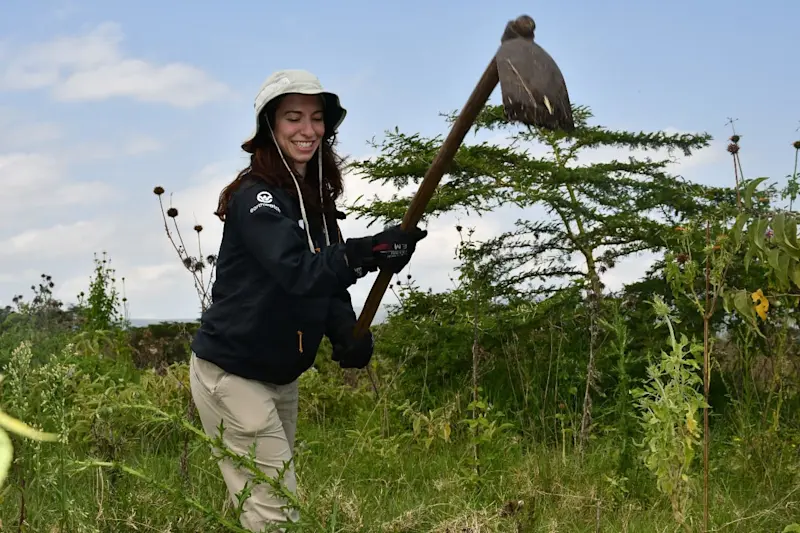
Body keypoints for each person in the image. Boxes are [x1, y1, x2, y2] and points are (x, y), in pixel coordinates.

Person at [187, 69, 427, 531]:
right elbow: (297, 271)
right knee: (276, 510)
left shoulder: (313, 201)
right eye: (293, 117)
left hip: (279, 375)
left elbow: (325, 283)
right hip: (234, 373)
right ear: (270, 126)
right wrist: (369, 251)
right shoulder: (256, 199)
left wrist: (345, 330)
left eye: (316, 119)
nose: (308, 129)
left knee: (265, 501)